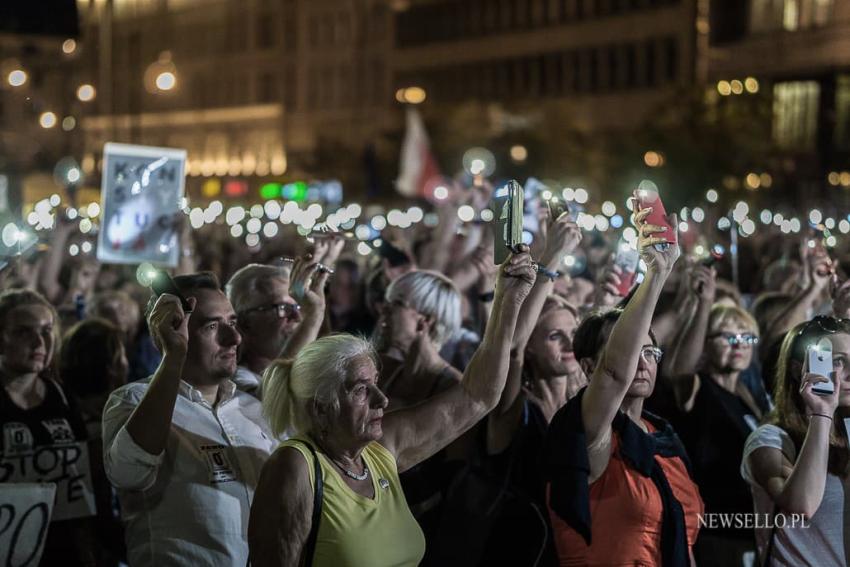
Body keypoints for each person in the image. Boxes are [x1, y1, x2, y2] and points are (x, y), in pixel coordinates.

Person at [248, 248, 536, 566]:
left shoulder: (381, 448)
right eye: (361, 390)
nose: (382, 399)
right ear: (321, 407)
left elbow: (478, 396)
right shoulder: (295, 467)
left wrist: (508, 299)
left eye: (376, 383)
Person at [543, 211, 704, 566]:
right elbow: (615, 373)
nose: (642, 362)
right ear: (588, 367)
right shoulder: (588, 430)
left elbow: (684, 543)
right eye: (633, 351)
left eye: (650, 352)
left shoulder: (664, 437)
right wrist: (657, 275)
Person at [102, 272, 277, 566]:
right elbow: (127, 472)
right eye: (212, 326)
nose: (233, 338)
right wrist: (174, 356)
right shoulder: (133, 400)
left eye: (232, 323)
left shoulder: (254, 409)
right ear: (170, 330)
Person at [663, 263, 770, 565]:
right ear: (705, 346)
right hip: (715, 530)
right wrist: (704, 304)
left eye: (746, 337)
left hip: (750, 529)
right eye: (727, 336)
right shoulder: (699, 389)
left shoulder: (747, 396)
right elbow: (680, 371)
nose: (739, 345)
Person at [741, 316, 850, 566]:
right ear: (798, 369)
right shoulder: (770, 439)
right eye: (839, 361)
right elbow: (802, 506)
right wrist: (821, 412)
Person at [0, 289, 97, 566]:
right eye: (22, 332)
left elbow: (81, 482)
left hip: (62, 551)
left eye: (47, 330)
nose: (39, 341)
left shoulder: (62, 397)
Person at [59, 317, 129, 566]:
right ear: (113, 367)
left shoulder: (60, 418)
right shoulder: (111, 428)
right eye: (123, 354)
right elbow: (105, 515)